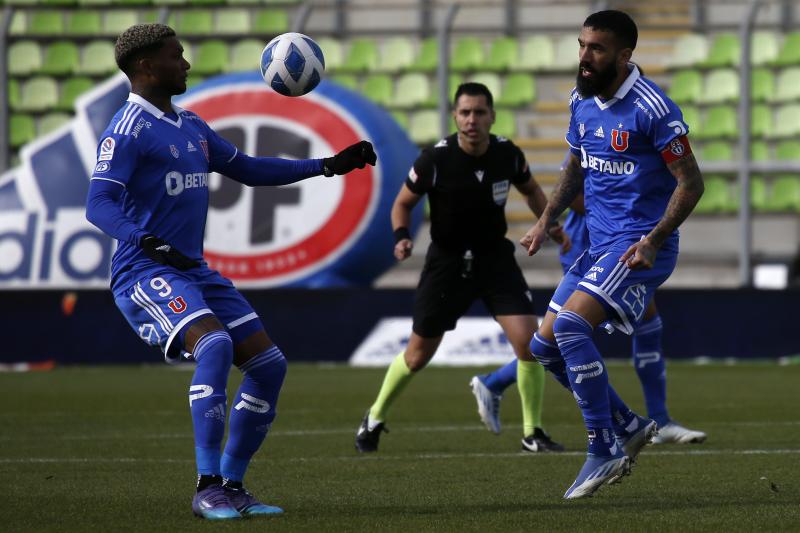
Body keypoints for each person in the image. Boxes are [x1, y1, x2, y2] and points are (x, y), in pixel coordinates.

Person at [85, 23, 376, 520]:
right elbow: (99, 204)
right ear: (145, 66)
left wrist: (327, 165)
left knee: (268, 366)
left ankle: (235, 486)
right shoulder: (127, 131)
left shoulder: (190, 125)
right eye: (176, 56)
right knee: (216, 345)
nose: (186, 64)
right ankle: (206, 487)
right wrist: (142, 237)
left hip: (193, 270)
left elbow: (249, 168)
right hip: (143, 271)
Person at [516, 10, 705, 499]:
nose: (584, 56)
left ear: (624, 55)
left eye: (596, 48)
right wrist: (545, 220)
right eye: (581, 45)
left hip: (638, 247)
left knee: (573, 327)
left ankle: (603, 447)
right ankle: (629, 423)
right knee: (543, 348)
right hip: (598, 244)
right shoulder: (582, 99)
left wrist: (655, 239)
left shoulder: (653, 108)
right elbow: (575, 165)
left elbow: (691, 182)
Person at [354, 83, 568, 454]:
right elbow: (402, 204)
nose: (472, 120)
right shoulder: (434, 160)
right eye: (465, 112)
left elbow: (532, 191)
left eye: (479, 112)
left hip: (494, 260)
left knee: (530, 346)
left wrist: (548, 223)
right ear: (455, 116)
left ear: (492, 117)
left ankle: (532, 433)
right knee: (416, 356)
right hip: (447, 264)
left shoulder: (507, 154)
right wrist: (402, 236)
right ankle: (374, 417)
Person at [471, 185, 707, 445]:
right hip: (592, 246)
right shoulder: (589, 147)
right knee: (568, 334)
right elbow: (573, 193)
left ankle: (653, 420)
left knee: (645, 323)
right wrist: (626, 200)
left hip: (622, 243)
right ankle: (633, 426)